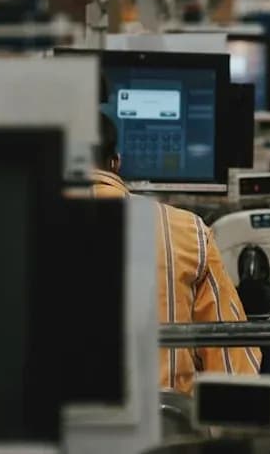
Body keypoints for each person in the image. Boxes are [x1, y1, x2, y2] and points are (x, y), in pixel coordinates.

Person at [91, 113, 261, 395]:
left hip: (45, 434)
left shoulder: (14, 232)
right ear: (115, 163)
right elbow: (233, 368)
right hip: (166, 431)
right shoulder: (188, 231)